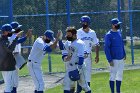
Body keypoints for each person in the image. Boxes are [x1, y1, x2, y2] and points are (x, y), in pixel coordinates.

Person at [59, 26, 91, 93]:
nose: (67, 36)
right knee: (66, 85)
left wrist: (78, 70)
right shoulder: (68, 42)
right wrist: (59, 39)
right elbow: (62, 48)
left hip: (79, 67)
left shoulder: (80, 43)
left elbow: (81, 57)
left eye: (69, 35)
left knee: (84, 86)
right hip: (70, 67)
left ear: (74, 35)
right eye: (67, 35)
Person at [76, 15, 100, 93]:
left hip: (88, 56)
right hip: (80, 56)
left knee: (88, 75)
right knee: (79, 74)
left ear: (88, 23)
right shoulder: (78, 32)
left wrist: (97, 56)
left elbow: (97, 44)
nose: (83, 23)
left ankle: (87, 90)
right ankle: (78, 90)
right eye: (82, 22)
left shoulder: (92, 32)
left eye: (85, 22)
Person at [8, 21, 32, 93]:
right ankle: (11, 90)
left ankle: (13, 90)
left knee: (15, 76)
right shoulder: (11, 37)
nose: (20, 29)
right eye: (18, 28)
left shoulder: (14, 36)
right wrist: (27, 36)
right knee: (12, 77)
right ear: (15, 29)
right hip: (11, 58)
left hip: (15, 57)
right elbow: (18, 41)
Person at [104, 18, 126, 93]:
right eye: (117, 24)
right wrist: (109, 60)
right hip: (114, 59)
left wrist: (124, 54)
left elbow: (121, 44)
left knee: (119, 76)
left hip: (121, 58)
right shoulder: (108, 35)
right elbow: (106, 48)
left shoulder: (119, 32)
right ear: (113, 25)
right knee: (112, 76)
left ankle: (118, 91)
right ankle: (112, 91)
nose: (118, 25)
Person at [0, 24, 22, 93]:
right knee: (9, 85)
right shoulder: (4, 40)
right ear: (5, 32)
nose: (11, 33)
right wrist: (16, 38)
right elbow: (10, 49)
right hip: (8, 65)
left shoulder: (3, 39)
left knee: (8, 84)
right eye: (10, 31)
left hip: (3, 64)